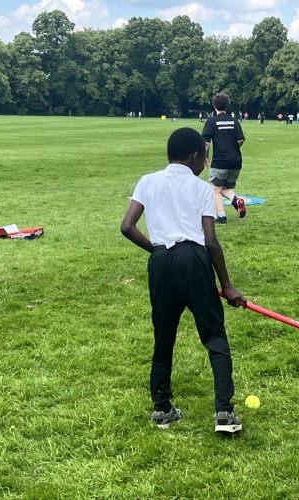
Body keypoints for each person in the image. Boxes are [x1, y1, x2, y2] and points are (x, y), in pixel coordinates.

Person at [121, 127, 246, 434]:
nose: (205, 163)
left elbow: (127, 227)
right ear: (195, 156)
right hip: (194, 259)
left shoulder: (147, 181)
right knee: (214, 335)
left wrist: (158, 251)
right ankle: (224, 413)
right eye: (205, 158)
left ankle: (162, 409)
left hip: (160, 262)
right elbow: (211, 241)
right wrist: (227, 285)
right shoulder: (202, 188)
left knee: (164, 335)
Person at [202, 93, 246, 224]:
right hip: (236, 162)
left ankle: (221, 217)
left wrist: (205, 157)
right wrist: (232, 149)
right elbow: (241, 140)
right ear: (227, 105)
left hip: (220, 162)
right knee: (225, 188)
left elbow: (206, 143)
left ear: (214, 105)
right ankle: (236, 201)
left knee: (215, 189)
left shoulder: (211, 121)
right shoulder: (234, 121)